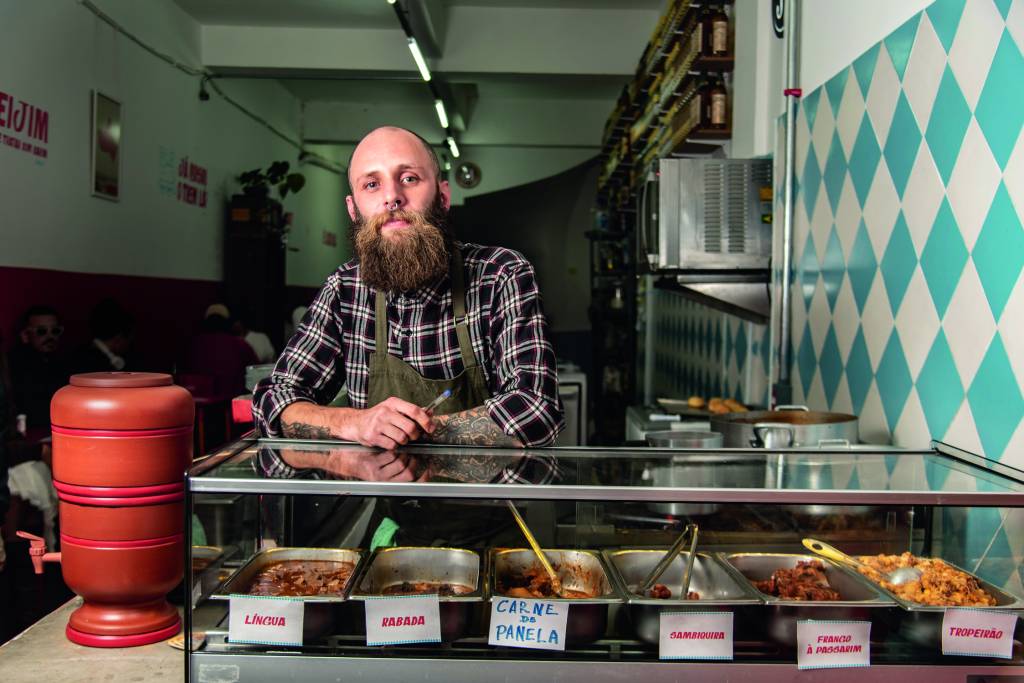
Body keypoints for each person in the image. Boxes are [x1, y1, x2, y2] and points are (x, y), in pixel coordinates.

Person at [253, 126, 563, 448]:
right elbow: (273, 401)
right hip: (379, 496)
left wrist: (406, 432)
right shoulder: (344, 291)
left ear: (443, 197)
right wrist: (356, 423)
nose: (392, 197)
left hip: (482, 497)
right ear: (352, 208)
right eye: (372, 184)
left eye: (409, 178)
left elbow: (536, 410)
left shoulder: (500, 275)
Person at [7, 305, 67, 433]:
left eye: (55, 331)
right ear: (25, 335)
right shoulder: (14, 365)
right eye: (41, 331)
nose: (50, 337)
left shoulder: (65, 362)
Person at [182, 304, 259, 397]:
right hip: (230, 401)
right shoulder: (240, 345)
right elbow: (256, 371)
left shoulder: (193, 344)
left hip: (197, 402)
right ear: (227, 323)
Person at [67, 298, 135, 375]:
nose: (129, 345)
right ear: (118, 338)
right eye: (130, 340)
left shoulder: (76, 355)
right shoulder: (105, 366)